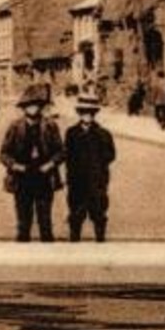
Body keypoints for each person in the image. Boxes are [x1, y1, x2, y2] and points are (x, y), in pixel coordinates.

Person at [0, 82, 64, 242]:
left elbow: (61, 151)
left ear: (41, 107)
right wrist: (15, 165)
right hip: (22, 179)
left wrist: (51, 164)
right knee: (23, 223)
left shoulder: (50, 126)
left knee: (45, 222)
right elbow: (4, 154)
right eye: (29, 105)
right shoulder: (15, 127)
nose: (32, 108)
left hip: (44, 177)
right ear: (24, 107)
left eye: (36, 105)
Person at [64, 91, 117, 242]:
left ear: (95, 114)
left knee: (99, 214)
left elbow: (111, 155)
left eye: (90, 112)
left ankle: (100, 242)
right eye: (83, 112)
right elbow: (67, 155)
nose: (87, 115)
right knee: (76, 215)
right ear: (79, 113)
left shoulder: (103, 134)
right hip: (77, 183)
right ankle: (74, 245)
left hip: (97, 182)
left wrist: (97, 165)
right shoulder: (71, 133)